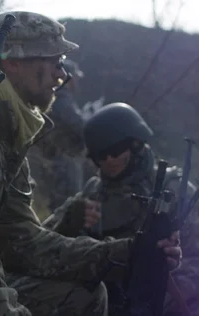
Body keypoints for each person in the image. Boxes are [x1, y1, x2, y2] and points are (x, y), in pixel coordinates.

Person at [0, 11, 182, 316]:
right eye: (56, 63)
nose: (61, 76)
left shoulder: (5, 126)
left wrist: (122, 254)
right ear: (14, 61)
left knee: (83, 296)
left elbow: (20, 240)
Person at [43, 102, 199, 316]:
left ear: (135, 144)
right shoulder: (94, 191)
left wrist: (163, 278)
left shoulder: (173, 189)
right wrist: (70, 220)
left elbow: (195, 258)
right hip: (103, 295)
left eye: (115, 151)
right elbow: (40, 242)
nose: (109, 160)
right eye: (100, 156)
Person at [29, 58, 87, 212]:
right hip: (61, 160)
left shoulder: (56, 96)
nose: (77, 82)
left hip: (51, 160)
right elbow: (76, 124)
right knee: (67, 204)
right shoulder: (61, 97)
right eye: (75, 77)